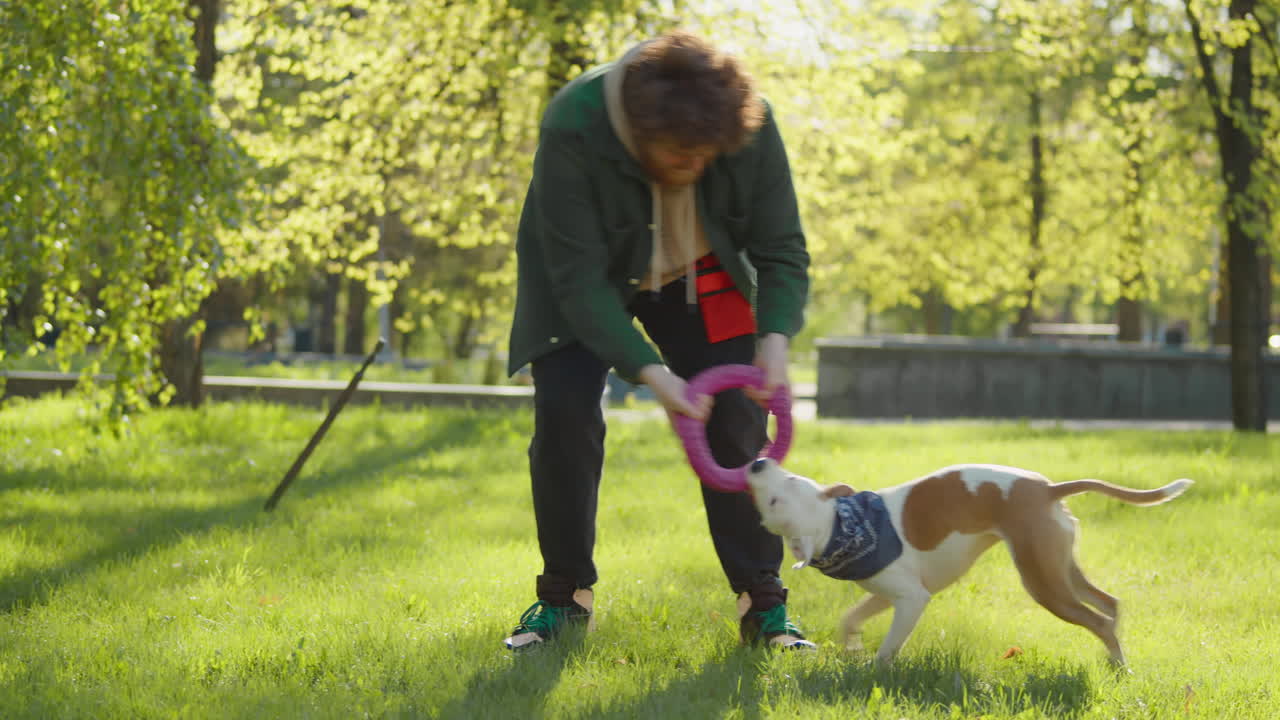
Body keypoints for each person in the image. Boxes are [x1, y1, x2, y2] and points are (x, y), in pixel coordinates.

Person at [503, 30, 812, 651]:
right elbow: (578, 282)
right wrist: (652, 373)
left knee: (736, 418)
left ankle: (764, 603)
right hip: (586, 277)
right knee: (565, 412)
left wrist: (774, 337)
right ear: (638, 132)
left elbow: (781, 247)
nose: (695, 165)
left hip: (699, 273)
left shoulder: (746, 119)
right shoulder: (574, 123)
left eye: (707, 155)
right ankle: (564, 599)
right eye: (680, 154)